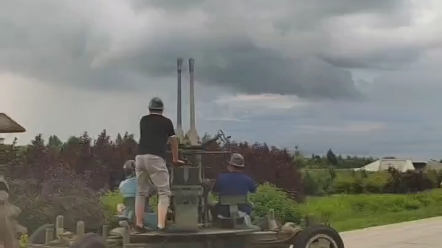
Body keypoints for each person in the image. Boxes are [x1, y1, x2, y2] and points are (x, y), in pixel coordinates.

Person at [134, 97, 184, 233]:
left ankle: (138, 224)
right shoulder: (166, 122)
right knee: (164, 192)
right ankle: (161, 225)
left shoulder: (143, 120)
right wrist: (175, 158)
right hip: (155, 158)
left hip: (140, 157)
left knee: (141, 191)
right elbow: (174, 141)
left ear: (149, 108)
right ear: (162, 109)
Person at [211, 153, 256, 218]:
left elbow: (214, 192)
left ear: (230, 166)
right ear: (242, 167)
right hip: (243, 211)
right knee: (251, 206)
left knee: (212, 205)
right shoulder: (248, 179)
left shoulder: (221, 178)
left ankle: (218, 225)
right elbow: (253, 191)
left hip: (223, 211)